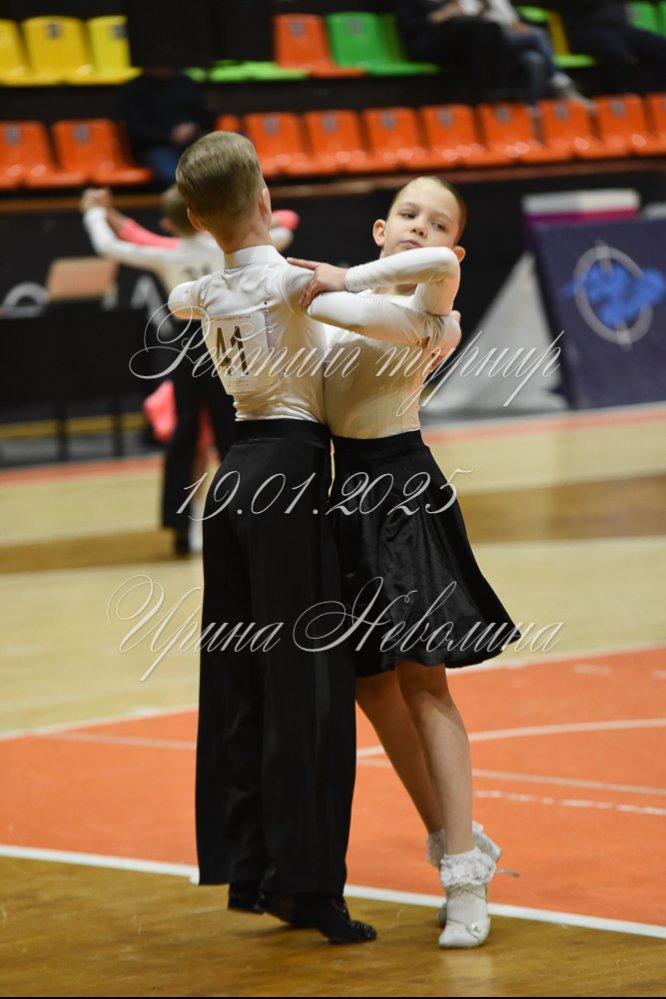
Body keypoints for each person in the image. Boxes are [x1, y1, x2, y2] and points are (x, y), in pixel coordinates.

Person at [167, 132, 465, 944]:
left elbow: (183, 297)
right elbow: (402, 289)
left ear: (196, 218)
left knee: (240, 681)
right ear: (267, 201)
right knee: (311, 690)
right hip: (290, 479)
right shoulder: (291, 281)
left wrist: (218, 269)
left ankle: (252, 869)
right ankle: (309, 887)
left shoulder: (206, 290)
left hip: (231, 481)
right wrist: (341, 277)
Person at [290, 176, 520, 948]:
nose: (422, 227)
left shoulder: (433, 310)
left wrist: (329, 279)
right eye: (409, 214)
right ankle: (456, 839)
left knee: (425, 682)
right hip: (343, 497)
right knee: (370, 685)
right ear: (380, 228)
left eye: (439, 222)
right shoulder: (340, 303)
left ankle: (465, 878)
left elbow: (365, 296)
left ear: (455, 248)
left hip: (403, 495)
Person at [81, 184, 237, 554]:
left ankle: (185, 526)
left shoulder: (167, 253)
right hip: (227, 342)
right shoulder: (225, 245)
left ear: (170, 222)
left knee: (186, 434)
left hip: (186, 346)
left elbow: (110, 246)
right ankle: (240, 518)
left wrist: (94, 213)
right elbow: (285, 226)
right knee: (232, 435)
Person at [456, 0, 588, 105]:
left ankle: (533, 108)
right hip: (488, 44)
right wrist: (484, 8)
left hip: (510, 38)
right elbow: (472, 23)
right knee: (538, 35)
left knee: (534, 60)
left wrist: (517, 26)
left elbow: (511, 20)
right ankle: (560, 81)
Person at [393, 0, 504, 102]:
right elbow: (408, 27)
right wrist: (442, 15)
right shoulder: (408, 2)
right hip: (424, 43)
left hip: (450, 41)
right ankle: (485, 90)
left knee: (491, 27)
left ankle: (497, 87)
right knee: (477, 31)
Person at [119, 69, 212, 188]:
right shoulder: (135, 88)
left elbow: (204, 115)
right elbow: (136, 129)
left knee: (217, 169)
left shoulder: (187, 82)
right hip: (155, 147)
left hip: (193, 142)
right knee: (172, 175)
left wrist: (195, 128)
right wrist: (171, 135)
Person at [549, 0, 666, 94]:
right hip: (585, 31)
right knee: (616, 52)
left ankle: (656, 98)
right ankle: (620, 98)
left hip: (620, 29)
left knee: (661, 47)